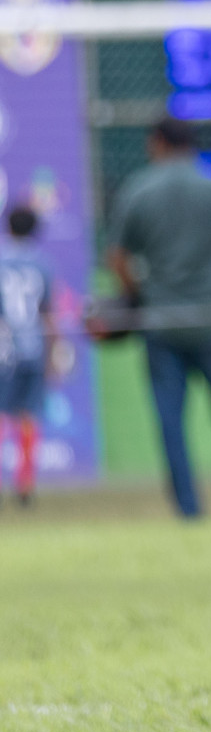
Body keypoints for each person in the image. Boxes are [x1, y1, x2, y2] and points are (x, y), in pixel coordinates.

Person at [106, 117, 211, 518]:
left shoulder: (138, 189)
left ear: (157, 143)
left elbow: (117, 258)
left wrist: (138, 296)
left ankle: (189, 510)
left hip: (161, 325)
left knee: (172, 425)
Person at [0, 207, 55, 508]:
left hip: (3, 351)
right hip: (34, 347)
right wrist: (54, 352)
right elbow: (49, 313)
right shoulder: (41, 262)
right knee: (28, 417)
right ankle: (25, 485)